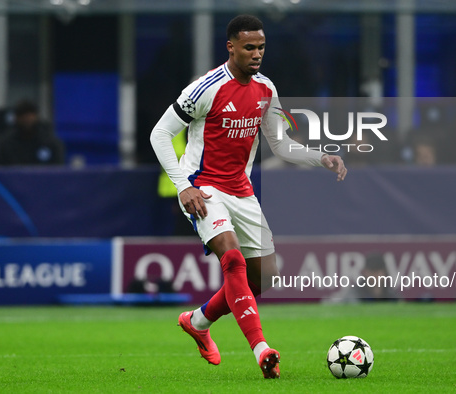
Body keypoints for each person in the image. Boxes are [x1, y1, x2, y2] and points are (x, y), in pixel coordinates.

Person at [149, 15, 347, 379]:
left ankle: (197, 321)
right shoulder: (204, 89)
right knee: (233, 258)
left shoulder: (266, 89)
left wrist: (321, 157)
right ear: (231, 47)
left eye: (261, 48)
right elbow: (159, 135)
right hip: (202, 185)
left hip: (241, 189)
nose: (257, 54)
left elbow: (281, 144)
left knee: (264, 279)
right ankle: (261, 349)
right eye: (249, 47)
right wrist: (183, 185)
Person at [0, 100, 65, 166]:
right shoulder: (7, 143)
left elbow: (58, 168)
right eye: (23, 115)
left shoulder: (50, 143)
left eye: (30, 115)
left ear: (36, 116)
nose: (27, 119)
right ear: (16, 118)